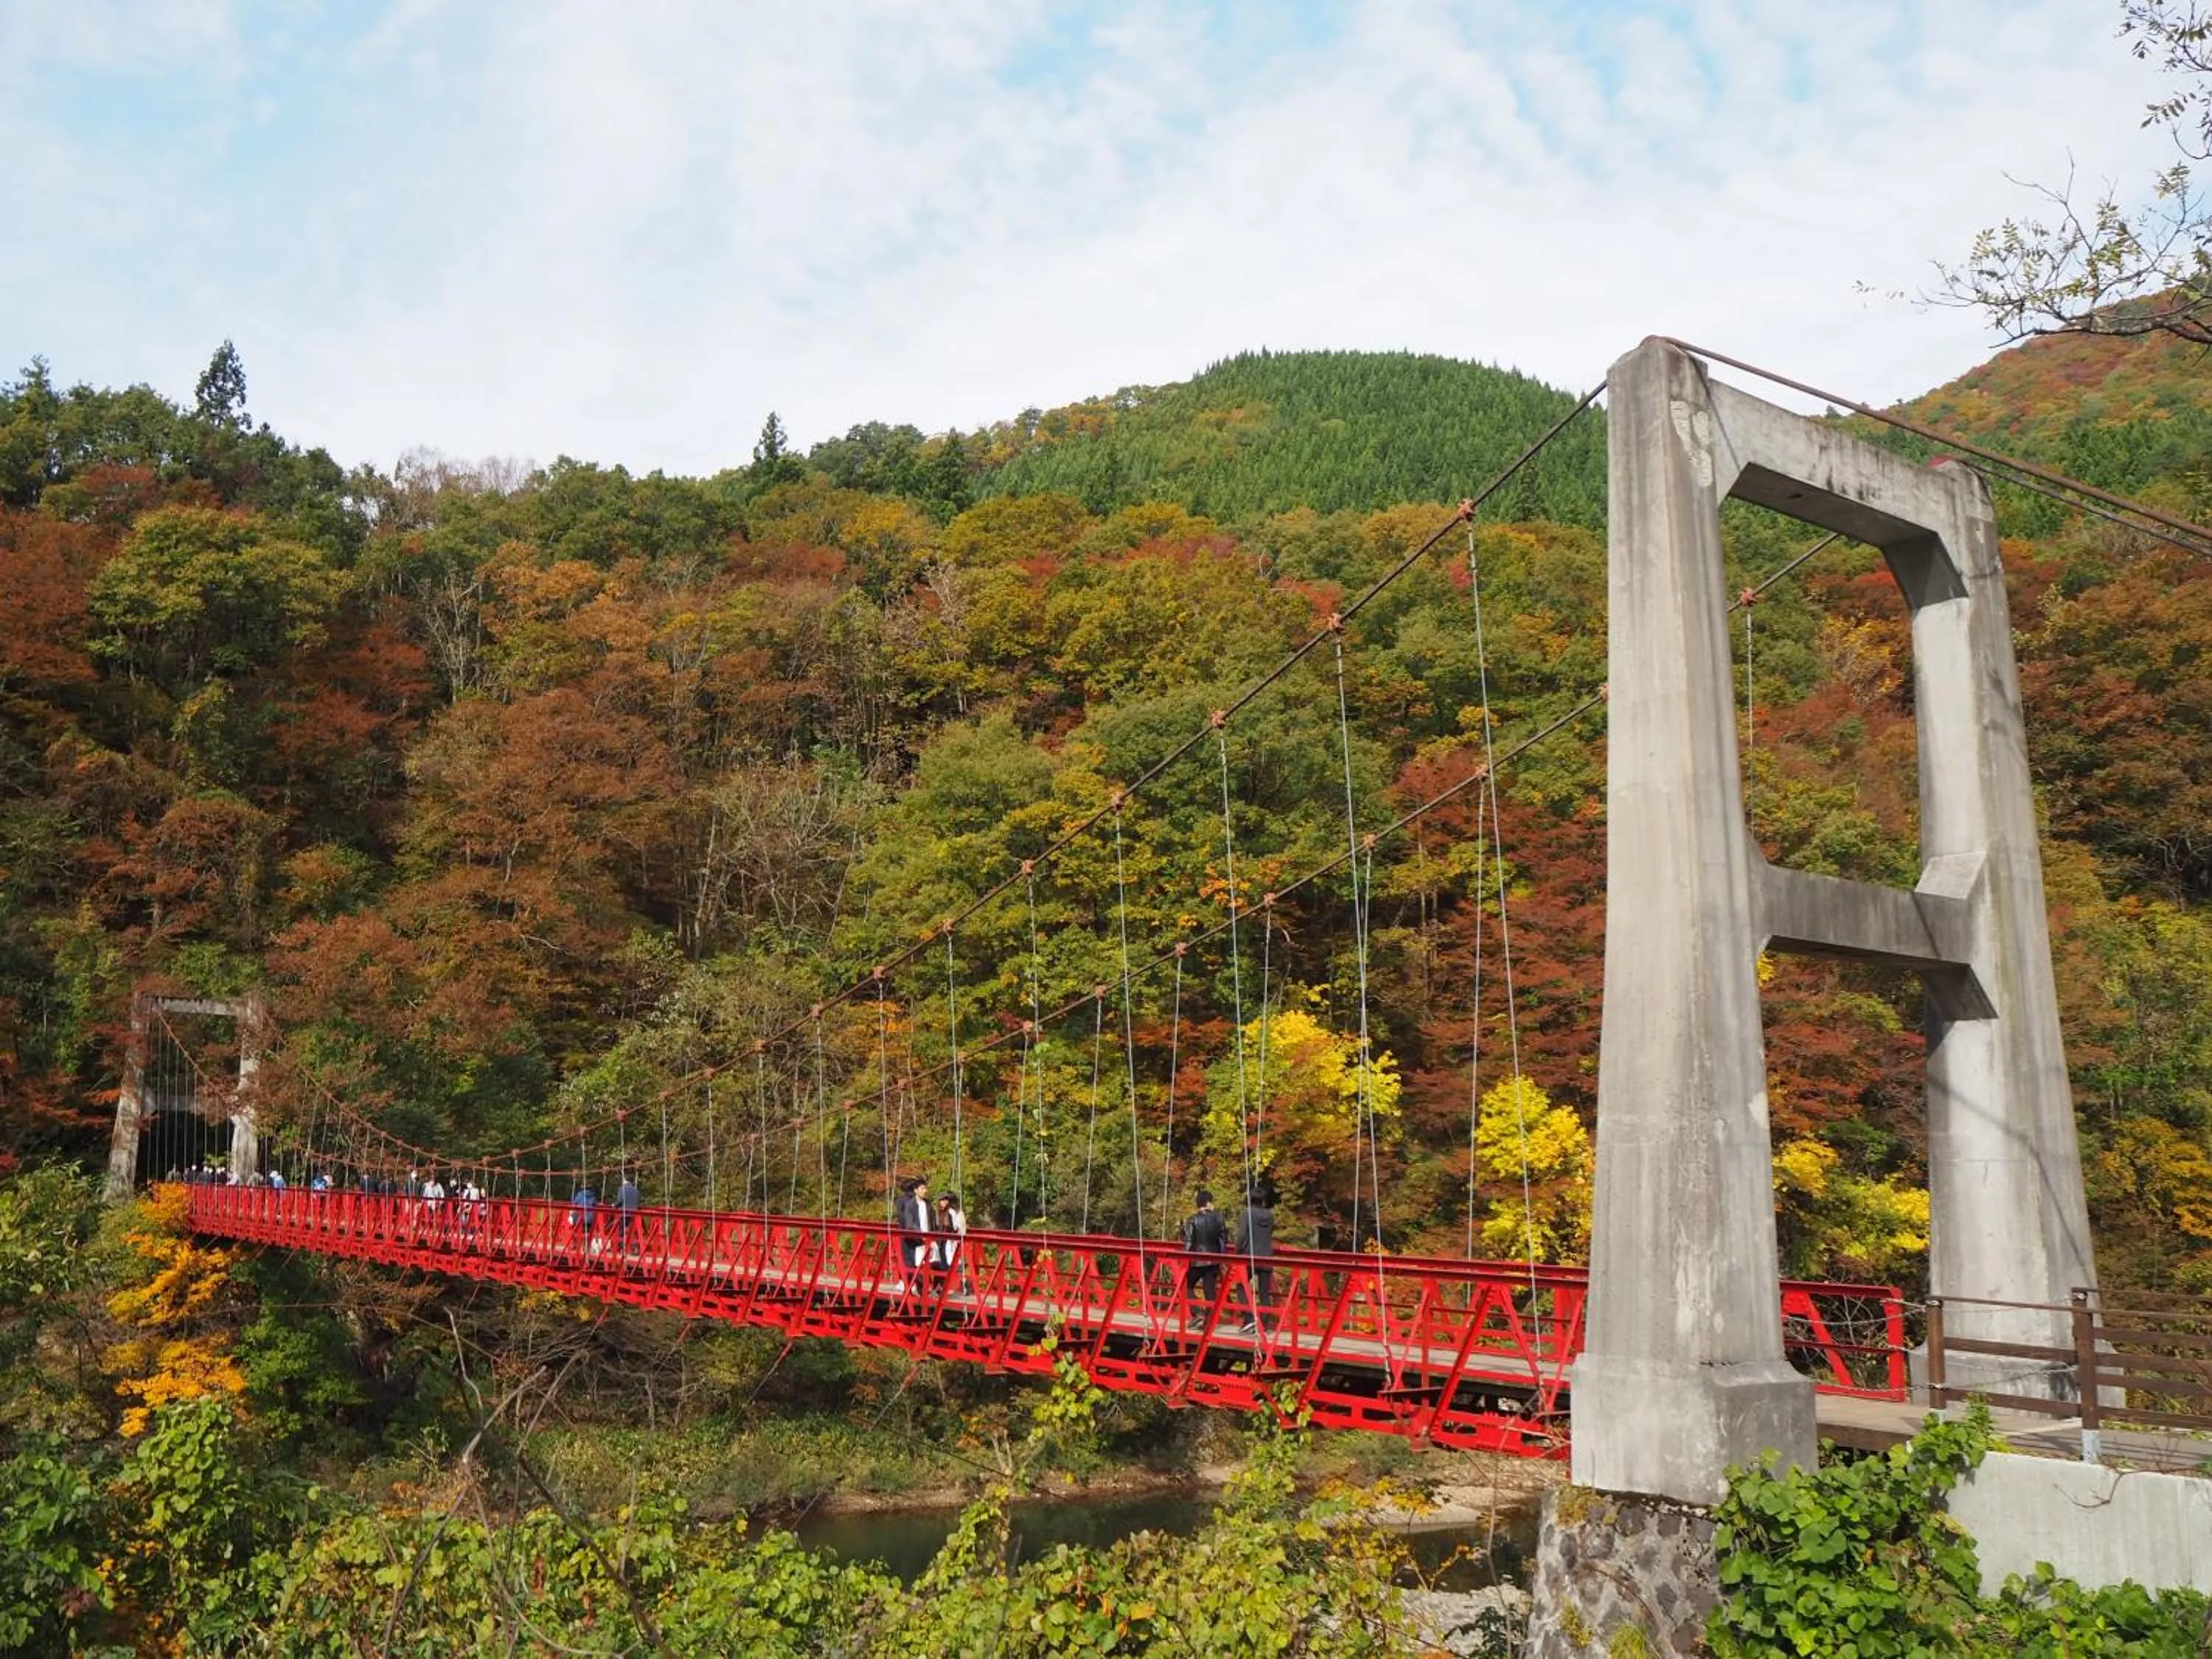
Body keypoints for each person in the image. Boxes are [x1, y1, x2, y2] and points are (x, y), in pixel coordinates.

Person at [1232, 1184, 1276, 1332]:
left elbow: (1242, 1235)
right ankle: (1264, 1323)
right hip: (1266, 1256)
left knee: (1241, 1287)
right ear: (1263, 1200)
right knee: (1265, 1293)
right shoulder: (1270, 1215)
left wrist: (1237, 1251)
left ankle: (1250, 1318)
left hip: (1249, 1255)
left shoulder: (1248, 1214)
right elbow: (1269, 1234)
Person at [1180, 1189, 1227, 1323]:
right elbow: (1224, 1239)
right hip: (1214, 1260)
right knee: (1210, 1291)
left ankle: (1197, 1312)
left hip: (1197, 1261)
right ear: (1208, 1203)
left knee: (1186, 1286)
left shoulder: (1193, 1220)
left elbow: (1189, 1242)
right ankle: (1210, 1322)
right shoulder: (1219, 1218)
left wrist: (1185, 1258)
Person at [896, 1177, 934, 1286]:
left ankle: (913, 1285)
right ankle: (917, 1287)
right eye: (922, 1188)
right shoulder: (910, 1205)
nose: (925, 1191)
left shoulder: (928, 1204)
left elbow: (932, 1220)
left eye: (925, 1188)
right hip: (915, 1237)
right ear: (915, 1190)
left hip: (917, 1236)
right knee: (915, 1262)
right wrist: (920, 1233)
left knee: (921, 1263)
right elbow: (909, 1222)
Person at [934, 1191, 970, 1291]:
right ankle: (938, 1287)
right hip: (941, 1241)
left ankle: (940, 1287)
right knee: (941, 1265)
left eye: (947, 1200)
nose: (945, 1202)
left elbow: (957, 1228)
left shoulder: (953, 1212)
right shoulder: (940, 1212)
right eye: (943, 1200)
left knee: (945, 1265)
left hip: (948, 1241)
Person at [614, 1169, 641, 1255]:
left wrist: (614, 1206)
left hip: (624, 1213)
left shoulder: (622, 1189)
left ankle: (622, 1248)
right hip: (634, 1214)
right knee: (632, 1231)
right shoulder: (636, 1190)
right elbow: (637, 1202)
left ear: (624, 1180)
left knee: (621, 1231)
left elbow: (620, 1201)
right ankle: (634, 1248)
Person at [570, 1181, 597, 1256]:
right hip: (590, 1219)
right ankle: (585, 1247)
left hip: (580, 1218)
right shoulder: (594, 1197)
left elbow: (574, 1203)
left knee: (574, 1230)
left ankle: (576, 1245)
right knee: (587, 1232)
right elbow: (596, 1206)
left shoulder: (580, 1195)